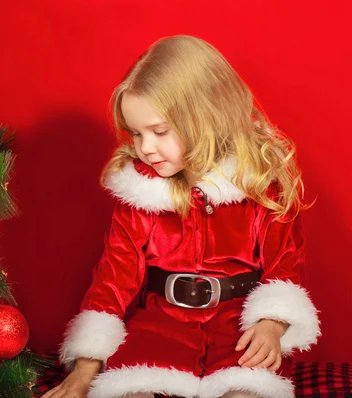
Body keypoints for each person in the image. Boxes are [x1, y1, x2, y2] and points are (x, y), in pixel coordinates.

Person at [41, 35, 320, 398]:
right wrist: (84, 371)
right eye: (136, 134)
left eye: (159, 131)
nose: (145, 148)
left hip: (238, 333)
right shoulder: (139, 193)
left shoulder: (260, 185)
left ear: (208, 116)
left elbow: (285, 266)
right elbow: (113, 280)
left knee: (245, 393)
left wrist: (271, 324)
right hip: (160, 328)